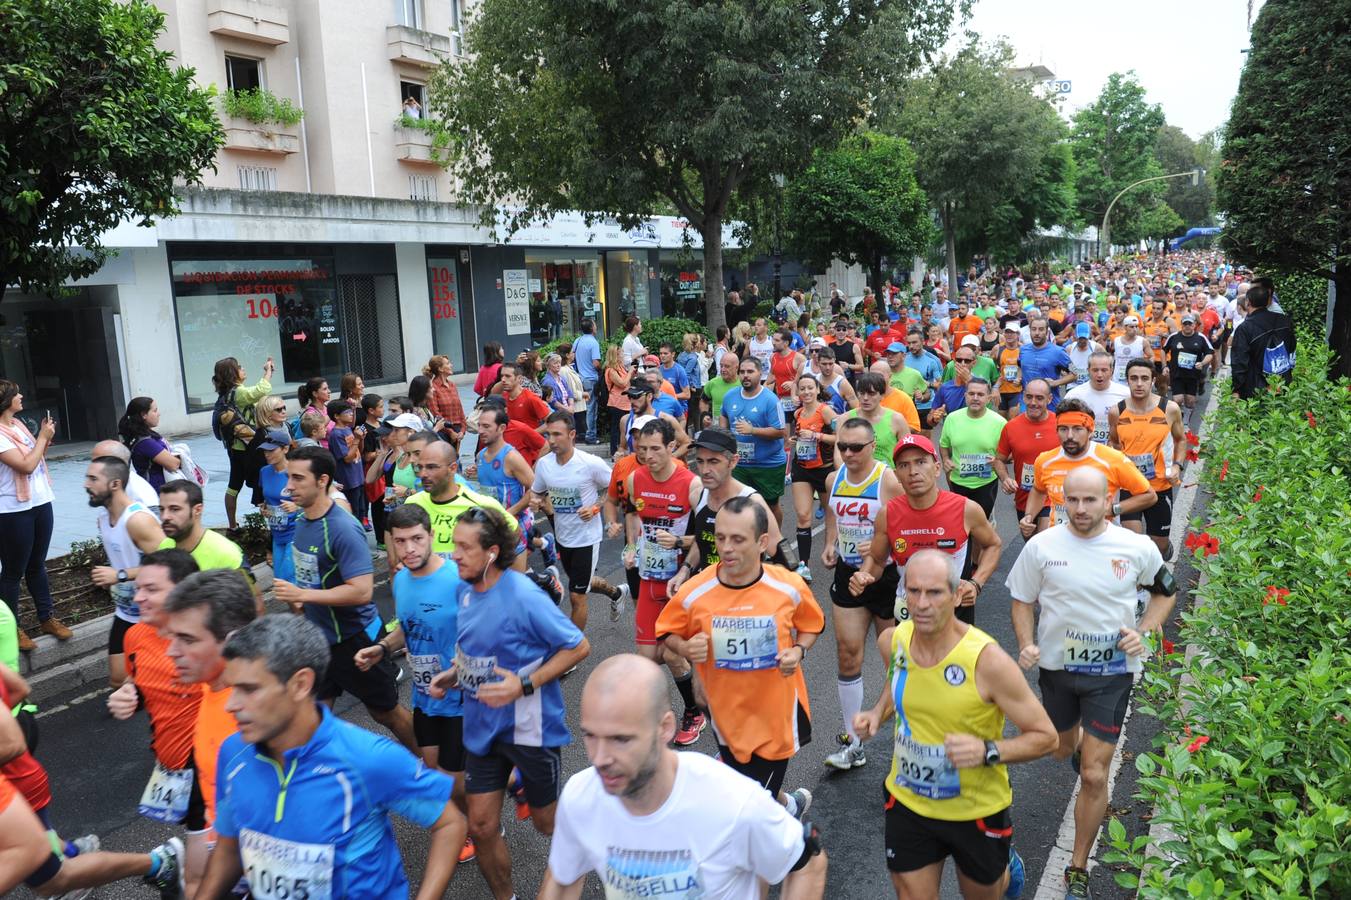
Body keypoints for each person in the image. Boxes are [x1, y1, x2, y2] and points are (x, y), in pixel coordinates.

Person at [198, 615, 465, 900]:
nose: (231, 704)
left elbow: (450, 823)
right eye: (231, 688)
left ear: (300, 684)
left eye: (249, 689)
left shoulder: (368, 759)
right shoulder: (232, 753)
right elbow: (229, 847)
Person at [1007, 467, 1177, 900]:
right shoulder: (1043, 546)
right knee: (1062, 748)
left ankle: (1078, 866)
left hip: (1112, 674)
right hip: (1059, 672)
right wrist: (1026, 642)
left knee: (1094, 774)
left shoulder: (1134, 546)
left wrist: (1146, 628)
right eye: (1073, 500)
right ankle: (1078, 746)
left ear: (1108, 501)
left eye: (1090, 500)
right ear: (1062, 500)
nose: (1081, 509)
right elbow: (1022, 600)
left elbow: (1166, 591)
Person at [852, 550, 1057, 900]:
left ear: (956, 594)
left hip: (974, 808)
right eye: (913, 591)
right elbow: (897, 682)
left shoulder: (987, 660)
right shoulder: (896, 640)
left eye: (934, 593)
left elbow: (1046, 738)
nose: (921, 603)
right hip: (909, 798)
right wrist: (876, 713)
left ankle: (1007, 871)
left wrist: (986, 750)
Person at [540, 654, 828, 900]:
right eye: (591, 735)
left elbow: (808, 864)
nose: (600, 758)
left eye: (621, 739)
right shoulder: (582, 795)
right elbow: (563, 879)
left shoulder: (733, 801)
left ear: (665, 728)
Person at [429, 507, 589, 900]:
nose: (455, 555)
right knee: (481, 827)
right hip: (482, 727)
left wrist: (524, 684)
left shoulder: (522, 596)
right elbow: (475, 645)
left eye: (465, 548)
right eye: (453, 546)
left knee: (546, 824)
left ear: (491, 552)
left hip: (530, 728)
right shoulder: (463, 589)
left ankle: (590, 835)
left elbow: (578, 646)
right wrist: (455, 672)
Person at [658, 496, 824, 817]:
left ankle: (791, 855)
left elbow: (812, 624)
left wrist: (799, 650)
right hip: (725, 717)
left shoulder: (788, 586)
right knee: (748, 790)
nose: (727, 548)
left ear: (762, 543)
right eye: (721, 538)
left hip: (775, 717)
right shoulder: (696, 591)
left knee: (748, 811)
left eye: (738, 539)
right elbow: (666, 633)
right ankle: (789, 807)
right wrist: (684, 648)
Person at [272, 445, 418, 752]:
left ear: (322, 480)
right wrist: (300, 612)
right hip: (318, 639)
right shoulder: (302, 521)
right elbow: (309, 578)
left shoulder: (341, 528)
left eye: (298, 478)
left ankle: (437, 775)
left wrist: (303, 594)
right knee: (312, 717)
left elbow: (362, 590)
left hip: (353, 638)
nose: (288, 486)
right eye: (289, 477)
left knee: (385, 712)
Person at [1, 662, 189, 899]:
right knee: (49, 868)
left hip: (18, 784)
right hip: (18, 784)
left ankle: (160, 863)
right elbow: (19, 689)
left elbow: (13, 741)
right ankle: (76, 849)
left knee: (53, 879)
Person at [355, 504, 477, 861]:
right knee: (434, 770)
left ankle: (477, 827)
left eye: (416, 539)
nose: (409, 549)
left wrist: (463, 665)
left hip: (460, 697)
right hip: (424, 697)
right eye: (400, 541)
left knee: (453, 780)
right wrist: (381, 647)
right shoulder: (402, 580)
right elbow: (406, 628)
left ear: (430, 537)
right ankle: (479, 809)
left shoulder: (458, 580)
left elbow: (488, 633)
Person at [613, 418, 706, 745]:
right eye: (642, 449)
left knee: (670, 651)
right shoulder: (636, 479)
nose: (648, 455)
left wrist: (679, 544)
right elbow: (634, 516)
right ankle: (668, 712)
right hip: (651, 577)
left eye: (655, 449)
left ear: (671, 447)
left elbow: (709, 536)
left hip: (682, 581)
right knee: (647, 658)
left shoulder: (691, 484)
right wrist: (631, 547)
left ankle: (694, 711)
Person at [820, 416, 903, 771]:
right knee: (848, 655)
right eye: (842, 447)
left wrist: (884, 545)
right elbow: (833, 514)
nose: (849, 453)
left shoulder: (889, 480)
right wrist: (829, 544)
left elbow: (908, 531)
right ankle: (854, 741)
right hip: (849, 573)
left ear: (872, 446)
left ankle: (908, 740)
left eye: (856, 447)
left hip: (886, 578)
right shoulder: (833, 478)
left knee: (897, 664)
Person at [852, 435, 1001, 626]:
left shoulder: (966, 509)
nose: (913, 471)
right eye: (904, 465)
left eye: (921, 462)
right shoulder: (887, 513)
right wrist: (864, 574)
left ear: (937, 467)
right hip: (909, 615)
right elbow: (877, 560)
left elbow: (993, 545)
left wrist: (976, 583)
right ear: (897, 475)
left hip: (954, 616)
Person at [162, 568, 258, 854]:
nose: (171, 651)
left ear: (231, 643)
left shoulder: (255, 723)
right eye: (173, 637)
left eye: (188, 640)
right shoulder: (212, 683)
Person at [1018, 398, 1157, 537]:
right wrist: (1029, 516)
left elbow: (1149, 495)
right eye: (1063, 429)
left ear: (1090, 431)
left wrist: (1114, 509)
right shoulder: (1045, 460)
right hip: (1060, 539)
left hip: (1099, 540)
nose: (1070, 436)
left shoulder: (1113, 459)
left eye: (1077, 429)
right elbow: (1038, 490)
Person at [668, 428, 783, 594]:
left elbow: (783, 557)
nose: (705, 470)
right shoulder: (697, 496)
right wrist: (685, 569)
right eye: (700, 461)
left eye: (714, 462)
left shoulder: (752, 501)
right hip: (709, 593)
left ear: (733, 461)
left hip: (744, 597)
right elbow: (702, 541)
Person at [86, 455, 166, 687]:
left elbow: (168, 566)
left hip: (153, 614)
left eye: (93, 479)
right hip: (126, 611)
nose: (86, 484)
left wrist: (119, 575)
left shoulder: (138, 520)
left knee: (152, 683)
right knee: (118, 679)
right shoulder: (104, 519)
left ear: (115, 484)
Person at [0, 381, 68, 652]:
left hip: (40, 501)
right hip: (13, 509)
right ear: (5, 400)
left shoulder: (17, 424)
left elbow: (35, 456)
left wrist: (45, 438)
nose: (21, 395)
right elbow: (26, 465)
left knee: (37, 564)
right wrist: (41, 437)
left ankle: (46, 618)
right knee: (13, 572)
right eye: (16, 393)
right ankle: (10, 627)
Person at [531, 411, 612, 630]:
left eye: (557, 434)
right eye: (548, 435)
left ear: (572, 434)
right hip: (562, 537)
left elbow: (614, 488)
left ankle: (572, 651)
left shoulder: (590, 463)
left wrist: (596, 507)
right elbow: (537, 492)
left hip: (587, 538)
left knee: (577, 596)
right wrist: (535, 501)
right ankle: (615, 592)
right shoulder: (544, 465)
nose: (551, 440)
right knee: (581, 584)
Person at [1108, 359, 1187, 557]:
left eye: (1144, 378)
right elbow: (1114, 444)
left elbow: (1181, 440)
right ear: (1127, 381)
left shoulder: (1169, 409)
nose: (1139, 383)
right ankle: (1141, 584)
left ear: (1153, 380)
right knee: (1133, 545)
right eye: (1134, 378)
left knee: (1158, 546)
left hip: (1160, 486)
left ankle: (1163, 550)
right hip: (1131, 487)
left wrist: (1177, 466)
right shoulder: (1116, 411)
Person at [156, 480, 255, 600]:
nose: (165, 516)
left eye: (174, 509)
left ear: (197, 510)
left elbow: (253, 606)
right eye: (162, 509)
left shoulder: (227, 554)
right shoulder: (164, 547)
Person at [720, 355, 788, 523]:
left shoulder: (771, 400)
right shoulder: (730, 396)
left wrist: (752, 430)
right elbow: (724, 415)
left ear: (760, 373)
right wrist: (723, 436)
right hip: (740, 464)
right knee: (739, 505)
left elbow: (781, 432)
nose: (745, 375)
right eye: (742, 371)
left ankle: (776, 543)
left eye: (750, 371)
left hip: (768, 464)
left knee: (770, 506)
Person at [211, 355, 273, 530]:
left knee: (234, 486)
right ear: (233, 374)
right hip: (250, 448)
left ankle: (232, 526)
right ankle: (270, 525)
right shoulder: (238, 393)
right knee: (262, 482)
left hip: (235, 448)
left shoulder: (225, 396)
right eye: (239, 366)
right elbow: (262, 390)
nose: (243, 368)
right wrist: (268, 371)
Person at [994, 380, 1060, 536]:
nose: (1033, 402)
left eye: (1039, 398)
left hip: (1053, 498)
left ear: (1049, 399)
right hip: (1024, 498)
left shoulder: (1060, 424)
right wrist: (1005, 479)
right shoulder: (1011, 426)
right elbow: (998, 460)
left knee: (1045, 542)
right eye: (1029, 397)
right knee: (1031, 547)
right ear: (1023, 397)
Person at [788, 374, 837, 581]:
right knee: (803, 515)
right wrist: (796, 439)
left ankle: (830, 549)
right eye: (802, 389)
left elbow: (840, 436)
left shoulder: (825, 411)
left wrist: (817, 436)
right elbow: (798, 435)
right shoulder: (798, 413)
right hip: (802, 468)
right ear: (798, 392)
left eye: (810, 388)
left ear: (817, 389)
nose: (806, 392)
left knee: (830, 514)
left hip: (824, 470)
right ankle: (803, 564)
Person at [938, 379, 1006, 519]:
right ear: (965, 396)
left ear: (988, 398)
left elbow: (1008, 454)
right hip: (958, 482)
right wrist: (945, 459)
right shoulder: (952, 418)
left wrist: (998, 461)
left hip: (986, 483)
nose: (975, 398)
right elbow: (944, 444)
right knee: (961, 525)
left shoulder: (999, 422)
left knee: (980, 526)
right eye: (971, 394)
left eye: (980, 394)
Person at [836, 371, 909, 467]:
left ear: (882, 395)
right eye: (862, 393)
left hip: (887, 477)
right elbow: (838, 455)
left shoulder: (897, 419)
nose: (865, 398)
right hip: (855, 477)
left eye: (871, 394)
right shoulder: (845, 419)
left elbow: (907, 454)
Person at [1064, 352, 1129, 446]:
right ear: (1088, 370)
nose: (1099, 374)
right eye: (1095, 370)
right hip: (1083, 450)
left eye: (1104, 370)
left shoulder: (1125, 394)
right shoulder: (1074, 395)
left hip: (1115, 451)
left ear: (1112, 370)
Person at [118, 396, 182, 490]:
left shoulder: (146, 435)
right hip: (155, 490)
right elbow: (173, 464)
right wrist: (181, 454)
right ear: (144, 415)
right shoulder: (145, 443)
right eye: (155, 411)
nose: (158, 414)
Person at [1018, 318, 1074, 409]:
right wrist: (1019, 378)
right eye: (1033, 329)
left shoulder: (1058, 352)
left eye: (1041, 329)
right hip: (1026, 404)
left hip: (1049, 406)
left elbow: (1075, 373)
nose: (1037, 333)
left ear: (1047, 332)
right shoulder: (1023, 350)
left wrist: (1055, 383)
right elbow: (1020, 367)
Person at [1164, 314, 1215, 409]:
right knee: (1177, 400)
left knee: (1190, 401)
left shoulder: (1200, 337)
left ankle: (1186, 422)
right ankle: (1178, 420)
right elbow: (1164, 350)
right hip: (1176, 373)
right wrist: (1165, 366)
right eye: (1185, 324)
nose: (1187, 326)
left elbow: (1210, 353)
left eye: (1190, 324)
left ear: (1194, 325)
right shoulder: (1174, 336)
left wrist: (1202, 363)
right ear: (1182, 325)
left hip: (1193, 374)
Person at [423, 354, 467, 447]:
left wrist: (463, 430)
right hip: (443, 432)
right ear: (440, 369)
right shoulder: (433, 388)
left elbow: (460, 409)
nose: (451, 365)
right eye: (448, 363)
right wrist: (450, 432)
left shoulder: (452, 385)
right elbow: (435, 414)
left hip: (457, 430)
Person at [573, 319, 603, 443]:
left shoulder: (577, 340)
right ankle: (590, 436)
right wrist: (601, 370)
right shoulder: (593, 342)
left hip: (580, 378)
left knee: (582, 407)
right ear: (591, 328)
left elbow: (572, 356)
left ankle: (581, 432)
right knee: (592, 408)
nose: (596, 327)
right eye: (595, 325)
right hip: (591, 379)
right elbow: (596, 363)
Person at [498, 361, 551, 429]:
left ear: (519, 378)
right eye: (502, 376)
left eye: (508, 376)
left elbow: (552, 421)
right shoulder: (503, 397)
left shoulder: (531, 398)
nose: (503, 379)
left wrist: (531, 434)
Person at [703, 349, 741, 425]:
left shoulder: (743, 384)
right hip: (717, 426)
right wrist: (705, 415)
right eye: (721, 366)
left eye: (727, 366)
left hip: (738, 425)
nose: (723, 369)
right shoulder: (712, 383)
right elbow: (703, 401)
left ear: (736, 367)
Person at [1109, 315, 1147, 384]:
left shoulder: (1143, 341)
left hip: (1135, 378)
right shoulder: (1116, 341)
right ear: (1125, 327)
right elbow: (1112, 358)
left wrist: (1145, 369)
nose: (1135, 329)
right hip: (1118, 379)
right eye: (1131, 327)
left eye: (1136, 326)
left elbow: (1151, 356)